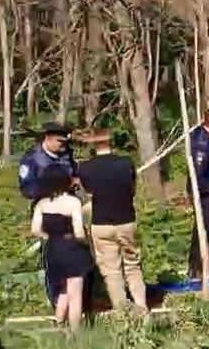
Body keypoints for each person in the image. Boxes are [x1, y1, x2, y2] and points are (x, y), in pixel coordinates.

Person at [76, 128, 147, 314]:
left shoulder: (85, 167)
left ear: (93, 144)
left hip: (101, 222)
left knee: (111, 270)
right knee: (132, 265)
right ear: (110, 142)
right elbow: (132, 190)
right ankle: (141, 305)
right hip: (126, 219)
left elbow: (89, 193)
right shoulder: (126, 163)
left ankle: (122, 309)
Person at [17, 122, 79, 306]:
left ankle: (75, 300)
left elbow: (73, 174)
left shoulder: (67, 155)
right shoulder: (32, 159)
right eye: (60, 141)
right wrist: (52, 188)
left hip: (69, 211)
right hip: (46, 214)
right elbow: (26, 189)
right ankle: (56, 300)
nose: (63, 145)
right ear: (48, 139)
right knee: (53, 259)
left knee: (75, 257)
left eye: (65, 142)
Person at [29, 166, 93, 328]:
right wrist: (87, 244)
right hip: (72, 248)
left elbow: (35, 230)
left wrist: (50, 236)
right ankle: (75, 331)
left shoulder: (41, 204)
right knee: (76, 292)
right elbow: (79, 231)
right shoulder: (73, 202)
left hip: (53, 249)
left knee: (64, 289)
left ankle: (58, 322)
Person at [187, 108, 209, 282]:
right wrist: (206, 188)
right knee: (207, 228)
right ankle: (201, 267)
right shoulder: (201, 140)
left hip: (208, 189)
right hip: (203, 191)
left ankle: (201, 266)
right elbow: (198, 170)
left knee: (204, 227)